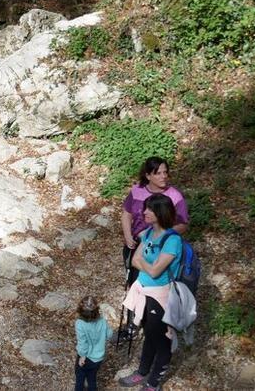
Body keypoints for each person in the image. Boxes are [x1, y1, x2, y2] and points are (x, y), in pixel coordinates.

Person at [119, 193, 183, 390]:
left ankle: (153, 383)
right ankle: (142, 372)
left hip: (160, 296)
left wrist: (145, 264)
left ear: (160, 213)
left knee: (161, 340)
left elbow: (155, 271)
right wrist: (148, 265)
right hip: (143, 292)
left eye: (149, 209)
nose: (144, 211)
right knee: (149, 334)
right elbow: (135, 261)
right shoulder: (147, 233)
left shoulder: (172, 241)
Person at [121, 157, 189, 288]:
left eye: (165, 172)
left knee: (155, 283)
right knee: (134, 281)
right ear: (148, 175)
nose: (163, 177)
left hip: (160, 248)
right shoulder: (137, 191)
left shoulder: (175, 196)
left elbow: (182, 224)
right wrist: (128, 237)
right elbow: (127, 214)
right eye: (158, 173)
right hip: (135, 244)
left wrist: (157, 236)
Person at [75, 296, 110, 391]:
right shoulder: (102, 320)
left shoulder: (79, 323)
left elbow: (83, 342)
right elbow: (110, 334)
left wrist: (82, 356)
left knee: (80, 378)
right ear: (96, 310)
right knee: (92, 379)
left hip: (86, 357)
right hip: (98, 358)